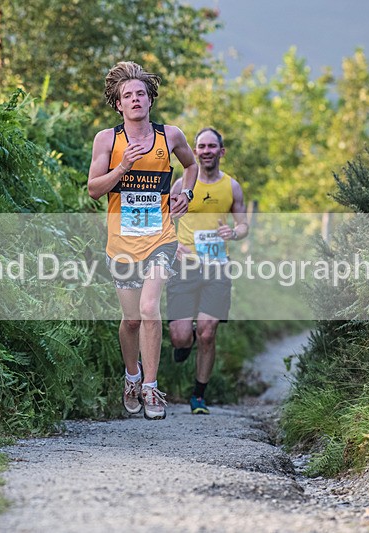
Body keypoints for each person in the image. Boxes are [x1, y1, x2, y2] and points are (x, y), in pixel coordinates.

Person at [88, 61, 198, 420]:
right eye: (128, 95)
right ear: (118, 104)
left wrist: (187, 194)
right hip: (121, 243)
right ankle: (132, 377)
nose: (135, 99)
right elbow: (93, 190)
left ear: (150, 99)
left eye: (141, 93)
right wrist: (122, 167)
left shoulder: (171, 136)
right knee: (132, 319)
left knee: (150, 308)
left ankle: (151, 388)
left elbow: (191, 166)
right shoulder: (108, 140)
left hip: (161, 238)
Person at [167, 127, 249, 415]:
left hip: (217, 266)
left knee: (207, 332)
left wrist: (234, 233)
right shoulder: (181, 184)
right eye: (201, 146)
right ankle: (184, 339)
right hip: (184, 265)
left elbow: (243, 225)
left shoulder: (232, 187)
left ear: (221, 151)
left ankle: (198, 396)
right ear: (195, 151)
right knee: (180, 337)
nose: (206, 151)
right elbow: (163, 220)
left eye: (211, 146)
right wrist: (174, 245)